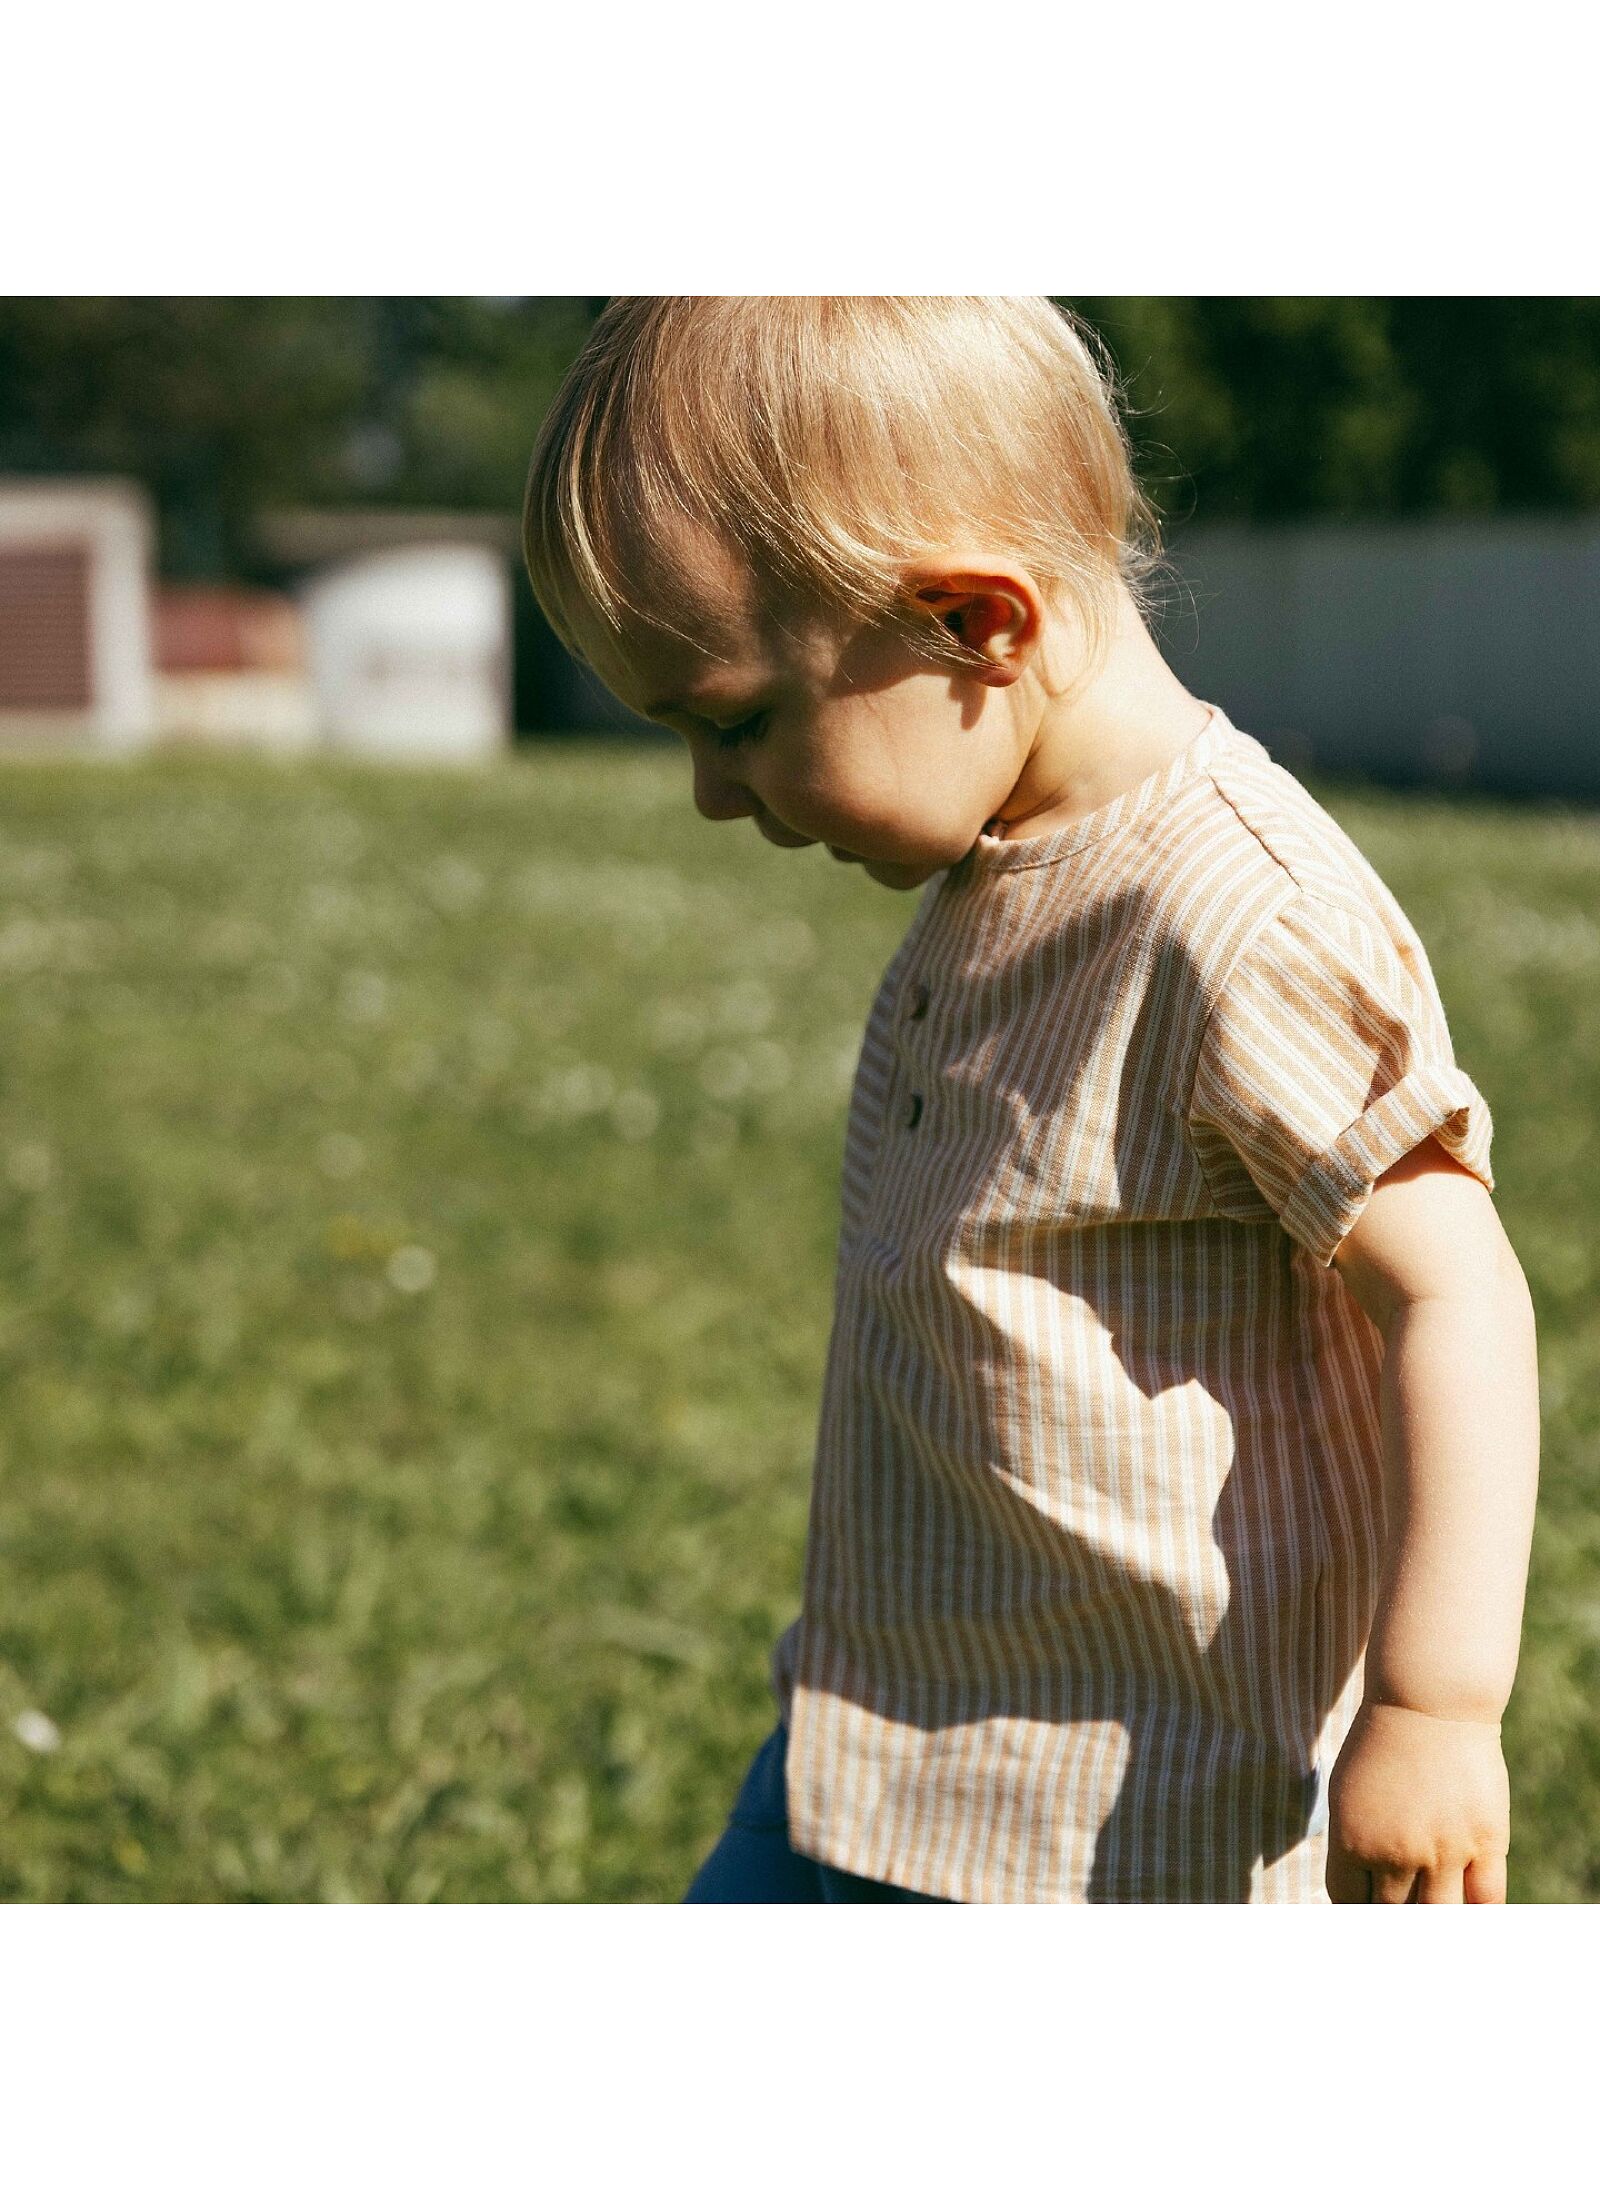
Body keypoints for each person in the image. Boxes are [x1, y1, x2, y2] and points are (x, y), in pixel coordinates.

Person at [521, 297, 1540, 1903]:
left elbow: (1453, 1293)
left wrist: (1435, 1707)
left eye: (737, 722)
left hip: (1136, 1809)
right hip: (882, 1732)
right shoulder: (1005, 856)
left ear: (975, 626)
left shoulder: (1240, 917)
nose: (714, 795)